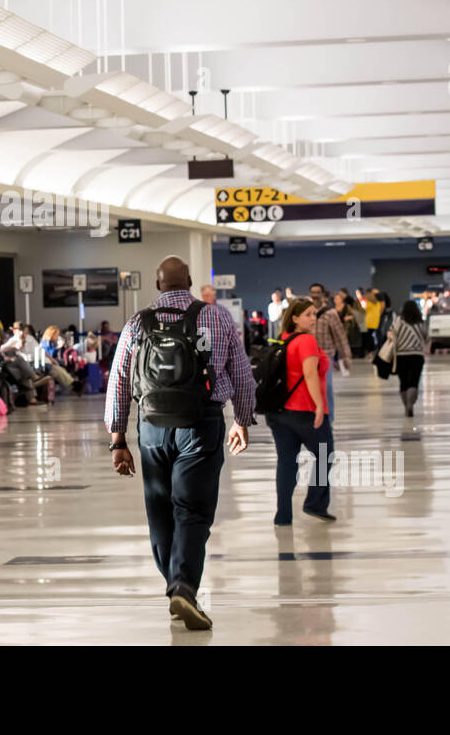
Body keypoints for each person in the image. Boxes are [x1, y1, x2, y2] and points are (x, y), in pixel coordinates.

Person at [105, 255, 256, 631]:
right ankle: (183, 586)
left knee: (159, 508)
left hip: (152, 426)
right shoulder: (216, 317)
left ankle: (175, 584)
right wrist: (242, 418)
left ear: (158, 285)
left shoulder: (137, 323)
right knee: (192, 508)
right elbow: (241, 372)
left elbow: (119, 381)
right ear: (188, 281)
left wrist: (118, 438)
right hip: (201, 423)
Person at [266, 298, 334, 526]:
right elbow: (311, 374)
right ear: (294, 318)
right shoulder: (306, 340)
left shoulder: (285, 339)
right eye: (307, 314)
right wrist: (319, 407)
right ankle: (315, 503)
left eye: (314, 314)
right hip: (304, 410)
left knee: (286, 461)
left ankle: (283, 514)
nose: (313, 318)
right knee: (325, 454)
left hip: (279, 412)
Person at [308, 282, 351, 424]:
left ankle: (329, 419)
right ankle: (314, 416)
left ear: (323, 294)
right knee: (309, 387)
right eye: (312, 292)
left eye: (317, 292)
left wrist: (345, 356)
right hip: (308, 356)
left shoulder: (330, 313)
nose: (315, 295)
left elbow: (340, 335)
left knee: (327, 387)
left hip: (326, 355)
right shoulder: (306, 312)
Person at [389, 300, 428, 418]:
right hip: (417, 355)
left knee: (403, 382)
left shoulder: (398, 322)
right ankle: (411, 403)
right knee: (414, 381)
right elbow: (426, 337)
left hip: (401, 356)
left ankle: (406, 404)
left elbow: (390, 335)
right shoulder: (421, 323)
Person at [362, 287, 385, 356]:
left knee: (372, 336)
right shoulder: (369, 300)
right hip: (369, 321)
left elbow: (381, 307)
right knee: (369, 336)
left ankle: (373, 351)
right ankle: (372, 351)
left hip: (373, 321)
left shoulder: (374, 299)